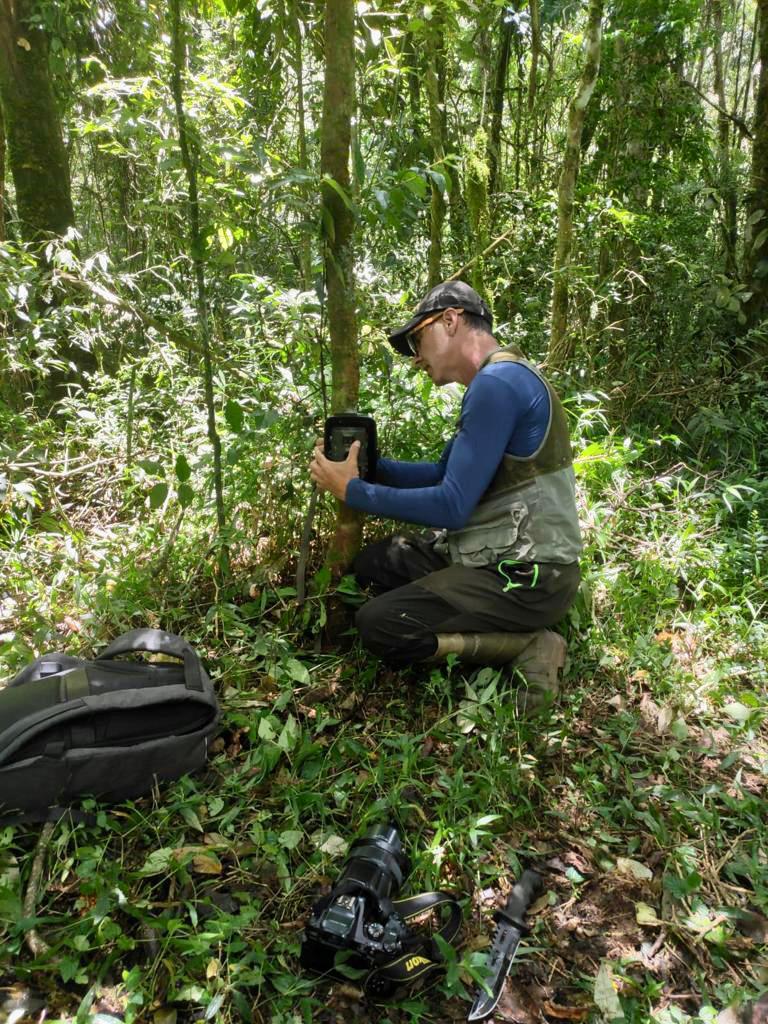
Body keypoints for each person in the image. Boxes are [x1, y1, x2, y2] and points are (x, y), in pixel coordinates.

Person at [309, 281, 582, 713]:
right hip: (500, 559)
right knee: (375, 562)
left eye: (419, 338)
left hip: (528, 578)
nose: (417, 357)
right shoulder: (499, 378)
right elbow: (442, 475)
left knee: (379, 623)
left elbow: (452, 506)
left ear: (451, 321)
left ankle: (527, 644)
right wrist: (368, 466)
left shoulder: (499, 385)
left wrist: (353, 490)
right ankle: (487, 614)